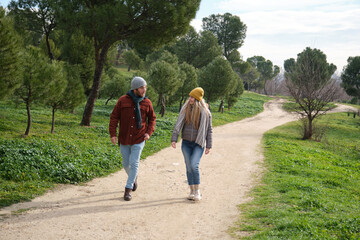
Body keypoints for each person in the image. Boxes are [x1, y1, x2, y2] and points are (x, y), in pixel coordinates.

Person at [109, 76, 156, 201]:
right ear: (135, 88)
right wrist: (113, 133)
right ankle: (133, 177)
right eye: (141, 87)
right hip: (124, 138)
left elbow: (152, 119)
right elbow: (114, 117)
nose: (144, 90)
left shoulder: (147, 102)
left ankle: (128, 189)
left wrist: (148, 132)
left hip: (139, 138)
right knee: (125, 164)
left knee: (134, 163)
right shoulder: (122, 100)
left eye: (145, 87)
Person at [171, 87, 212, 201]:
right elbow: (178, 124)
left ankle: (197, 191)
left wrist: (208, 145)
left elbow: (209, 130)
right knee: (189, 168)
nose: (190, 99)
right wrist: (174, 139)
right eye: (190, 97)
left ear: (198, 99)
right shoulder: (185, 109)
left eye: (192, 97)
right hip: (186, 143)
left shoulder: (206, 112)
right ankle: (192, 191)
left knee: (194, 165)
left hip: (198, 144)